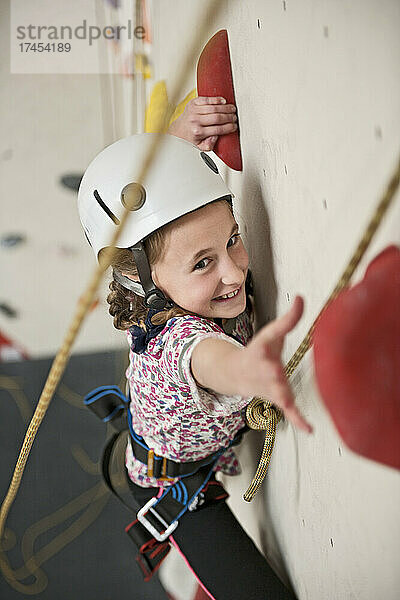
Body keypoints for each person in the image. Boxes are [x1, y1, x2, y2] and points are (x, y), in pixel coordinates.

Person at [78, 97, 312, 600]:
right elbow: (208, 359)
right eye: (203, 264)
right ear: (144, 284)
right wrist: (247, 371)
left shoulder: (160, 274)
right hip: (169, 485)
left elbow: (172, 225)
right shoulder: (181, 342)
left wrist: (177, 148)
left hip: (168, 435)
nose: (234, 272)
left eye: (232, 239)